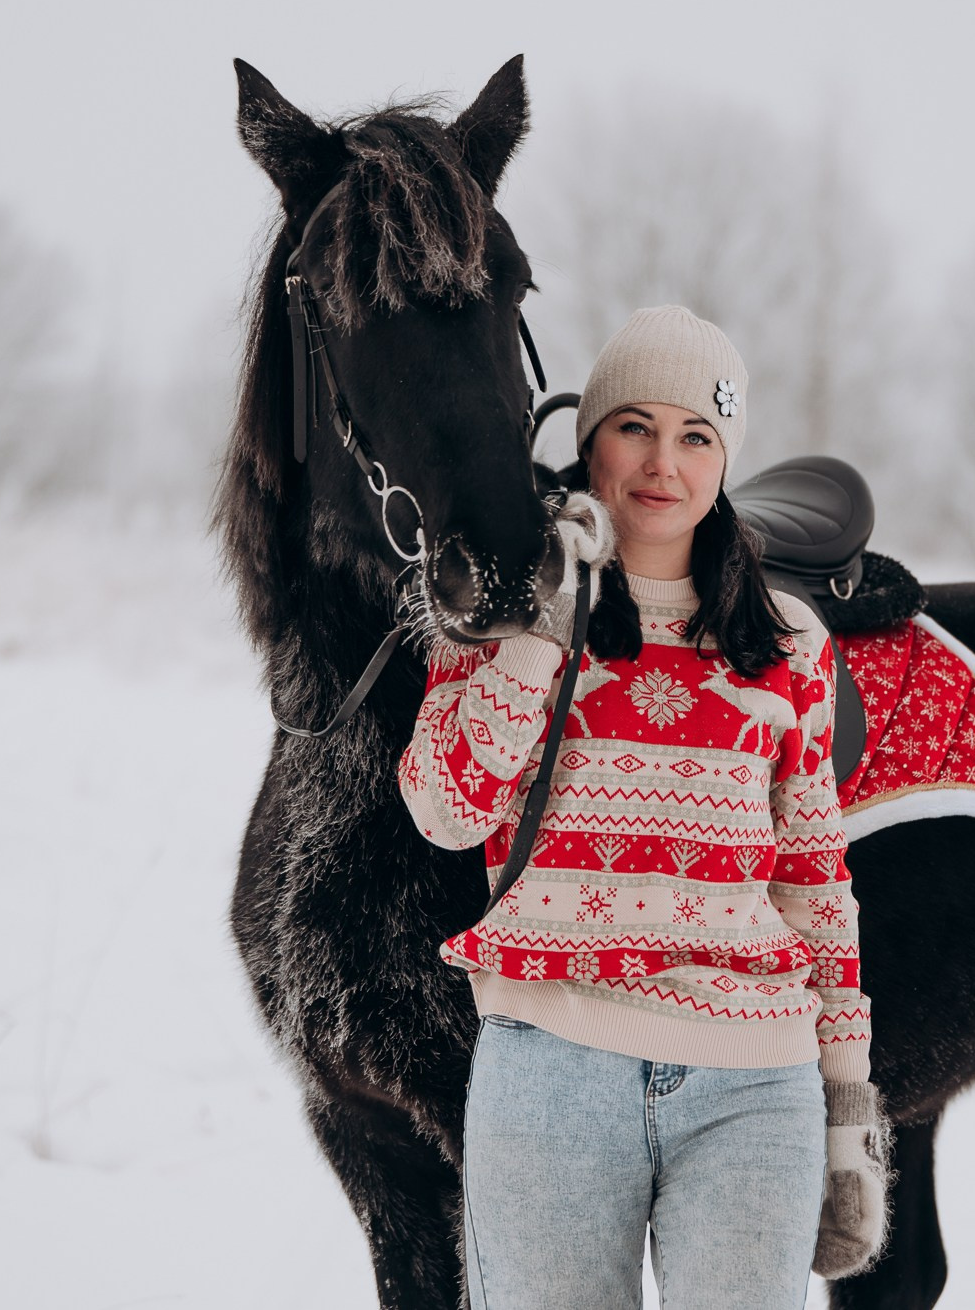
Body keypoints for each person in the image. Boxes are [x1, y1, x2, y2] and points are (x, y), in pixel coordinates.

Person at [398, 306, 889, 1309]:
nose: (662, 461)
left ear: (722, 461)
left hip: (754, 1082)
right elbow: (447, 806)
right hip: (550, 1071)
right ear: (589, 445)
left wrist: (845, 1111)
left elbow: (814, 882)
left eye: (696, 435)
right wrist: (546, 613)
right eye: (636, 426)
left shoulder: (787, 640)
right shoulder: (498, 614)